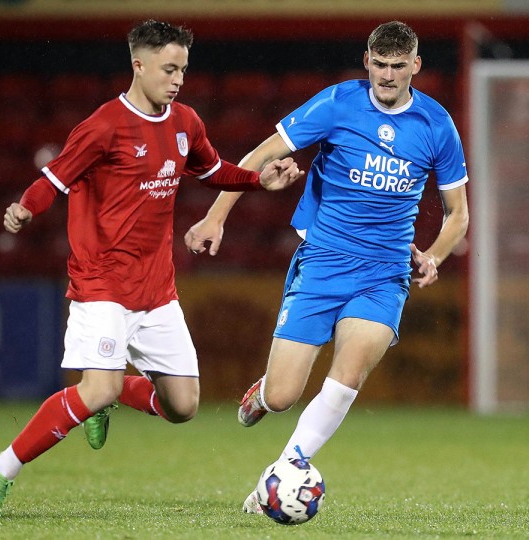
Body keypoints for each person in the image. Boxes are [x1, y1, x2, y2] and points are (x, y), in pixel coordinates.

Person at [0, 19, 303, 524]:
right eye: (169, 69)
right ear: (138, 65)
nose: (177, 80)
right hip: (101, 283)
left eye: (183, 70)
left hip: (157, 290)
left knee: (183, 406)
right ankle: (0, 469)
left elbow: (214, 171)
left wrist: (260, 181)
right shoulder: (103, 125)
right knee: (95, 388)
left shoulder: (185, 122)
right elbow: (54, 178)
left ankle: (110, 394)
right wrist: (24, 208)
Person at [184, 21, 469, 513]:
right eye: (379, 64)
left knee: (349, 373)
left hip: (384, 273)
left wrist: (435, 256)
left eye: (398, 66)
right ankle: (264, 397)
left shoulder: (437, 125)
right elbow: (261, 155)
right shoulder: (337, 103)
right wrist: (216, 216)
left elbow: (458, 213)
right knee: (283, 396)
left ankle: (282, 473)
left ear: (415, 67)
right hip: (322, 262)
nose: (387, 74)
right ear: (367, 61)